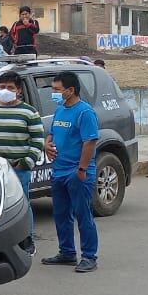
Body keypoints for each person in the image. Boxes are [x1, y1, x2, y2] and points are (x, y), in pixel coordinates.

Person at [0, 72, 45, 251]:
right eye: (2, 87)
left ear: (19, 91)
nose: (5, 91)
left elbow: (38, 141)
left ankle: (27, 239)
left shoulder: (29, 112)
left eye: (10, 88)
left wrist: (26, 162)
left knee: (21, 205)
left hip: (18, 169)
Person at [42, 71, 100, 273]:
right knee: (61, 214)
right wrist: (46, 144)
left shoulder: (85, 112)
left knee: (82, 214)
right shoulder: (60, 109)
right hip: (58, 171)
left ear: (71, 90)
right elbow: (52, 133)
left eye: (57, 89)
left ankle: (89, 256)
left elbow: (90, 142)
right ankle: (66, 252)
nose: (54, 93)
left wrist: (82, 169)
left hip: (77, 172)